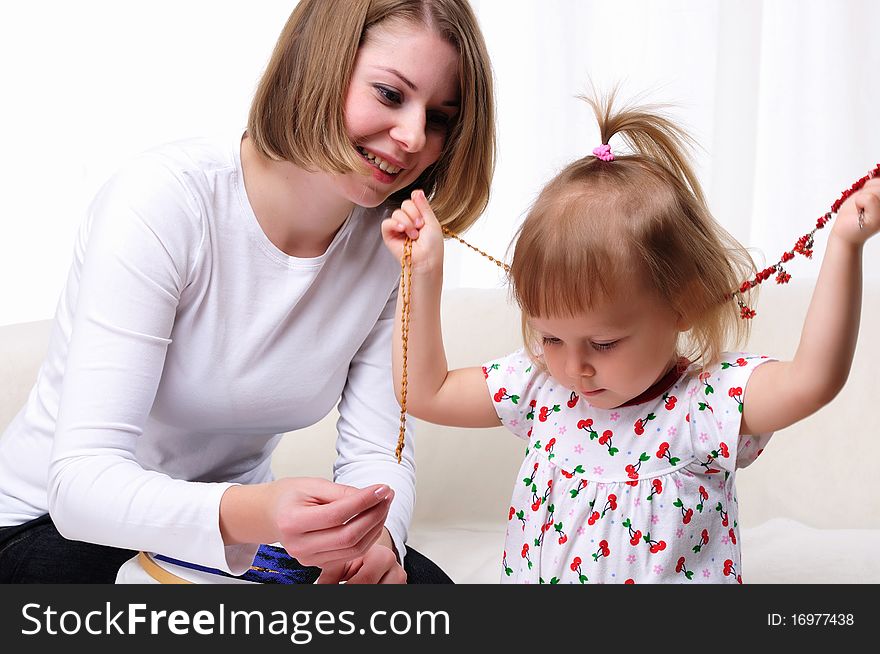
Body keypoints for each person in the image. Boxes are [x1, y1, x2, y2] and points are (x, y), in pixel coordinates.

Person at [0, 0, 495, 585]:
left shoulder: (391, 243)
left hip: (229, 534)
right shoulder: (163, 203)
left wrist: (378, 540)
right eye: (390, 94)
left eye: (439, 118)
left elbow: (378, 450)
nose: (413, 136)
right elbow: (81, 485)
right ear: (320, 67)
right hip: (55, 527)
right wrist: (259, 512)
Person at [381, 91, 879, 583]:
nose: (573, 366)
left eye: (603, 343)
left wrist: (845, 242)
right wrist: (421, 274)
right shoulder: (541, 389)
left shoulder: (702, 406)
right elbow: (424, 392)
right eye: (551, 337)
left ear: (683, 304)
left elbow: (813, 381)